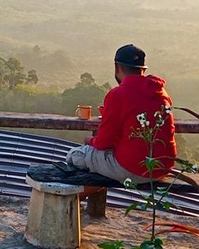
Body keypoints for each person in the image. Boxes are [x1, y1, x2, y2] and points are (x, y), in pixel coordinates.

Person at [66, 44, 176, 186]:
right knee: (102, 158)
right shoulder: (162, 94)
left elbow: (104, 143)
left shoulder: (118, 94)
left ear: (117, 67)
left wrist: (90, 140)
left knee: (75, 155)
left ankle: (78, 199)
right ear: (142, 69)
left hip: (134, 170)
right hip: (163, 167)